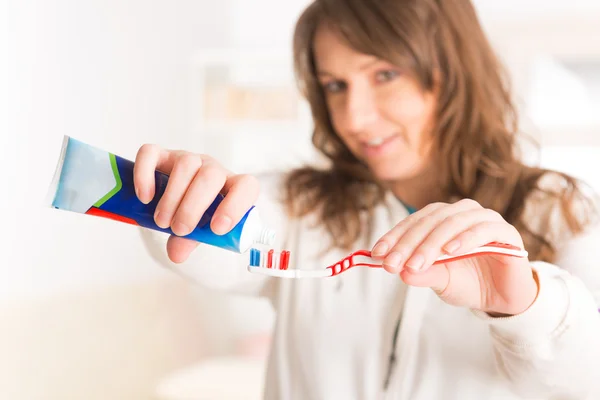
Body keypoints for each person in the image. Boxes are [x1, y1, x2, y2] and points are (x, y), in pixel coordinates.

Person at [136, 0, 600, 398]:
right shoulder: (302, 206)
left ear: (453, 72)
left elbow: (586, 378)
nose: (354, 117)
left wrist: (524, 307)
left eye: (385, 74)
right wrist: (178, 201)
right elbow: (219, 243)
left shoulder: (561, 211)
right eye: (335, 86)